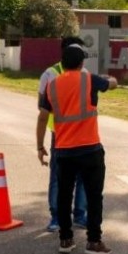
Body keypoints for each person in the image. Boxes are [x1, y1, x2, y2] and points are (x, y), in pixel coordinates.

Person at [36, 43, 117, 254]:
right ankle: (93, 241)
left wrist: (39, 146)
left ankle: (65, 239)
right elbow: (113, 84)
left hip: (63, 150)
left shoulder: (51, 86)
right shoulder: (89, 79)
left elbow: (43, 117)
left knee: (64, 195)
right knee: (94, 196)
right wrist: (109, 78)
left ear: (62, 63)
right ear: (82, 63)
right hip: (90, 149)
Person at [37, 36, 88, 232]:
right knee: (58, 177)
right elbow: (41, 109)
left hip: (81, 136)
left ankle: (80, 215)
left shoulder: (85, 74)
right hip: (60, 134)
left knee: (81, 177)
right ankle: (57, 216)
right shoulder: (49, 74)